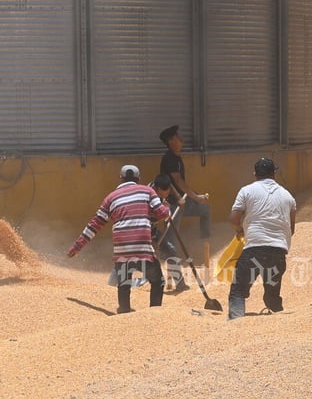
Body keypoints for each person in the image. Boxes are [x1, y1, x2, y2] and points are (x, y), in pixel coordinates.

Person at [68, 164, 171, 314]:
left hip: (122, 247)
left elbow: (94, 225)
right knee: (157, 281)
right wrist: (167, 208)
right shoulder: (148, 191)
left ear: (121, 178)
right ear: (138, 178)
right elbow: (161, 213)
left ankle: (124, 312)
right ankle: (154, 315)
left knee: (124, 283)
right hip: (142, 246)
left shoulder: (110, 198)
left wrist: (76, 247)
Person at [227, 157, 297, 320]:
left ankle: (236, 324)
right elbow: (291, 229)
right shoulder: (288, 197)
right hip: (279, 252)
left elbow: (233, 219)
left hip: (253, 250)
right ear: (274, 174)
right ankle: (280, 320)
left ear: (255, 174)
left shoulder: (246, 191)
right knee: (272, 296)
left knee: (238, 291)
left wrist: (240, 231)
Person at [158, 124, 211, 290]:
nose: (181, 138)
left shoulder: (177, 158)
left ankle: (205, 245)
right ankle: (178, 282)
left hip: (183, 203)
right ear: (171, 141)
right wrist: (195, 197)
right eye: (177, 136)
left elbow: (182, 184)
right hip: (173, 206)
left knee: (205, 210)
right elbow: (178, 182)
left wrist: (196, 197)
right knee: (171, 244)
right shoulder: (170, 158)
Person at [149, 173, 187, 290]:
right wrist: (166, 209)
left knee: (170, 251)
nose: (168, 193)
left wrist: (178, 198)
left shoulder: (158, 185)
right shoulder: (150, 198)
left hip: (153, 228)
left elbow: (169, 185)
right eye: (165, 191)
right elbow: (163, 216)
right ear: (158, 189)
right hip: (143, 230)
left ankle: (180, 284)